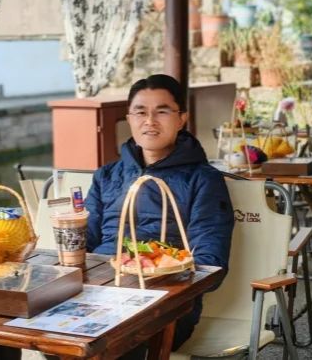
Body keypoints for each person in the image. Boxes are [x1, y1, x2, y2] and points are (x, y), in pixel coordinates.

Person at [85, 73, 235, 358]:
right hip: (98, 293)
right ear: (129, 119)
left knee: (102, 346)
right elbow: (83, 245)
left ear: (181, 119)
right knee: (7, 324)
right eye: (140, 112)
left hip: (163, 306)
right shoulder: (106, 176)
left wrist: (156, 271)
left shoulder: (203, 180)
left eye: (162, 111)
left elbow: (211, 264)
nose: (150, 121)